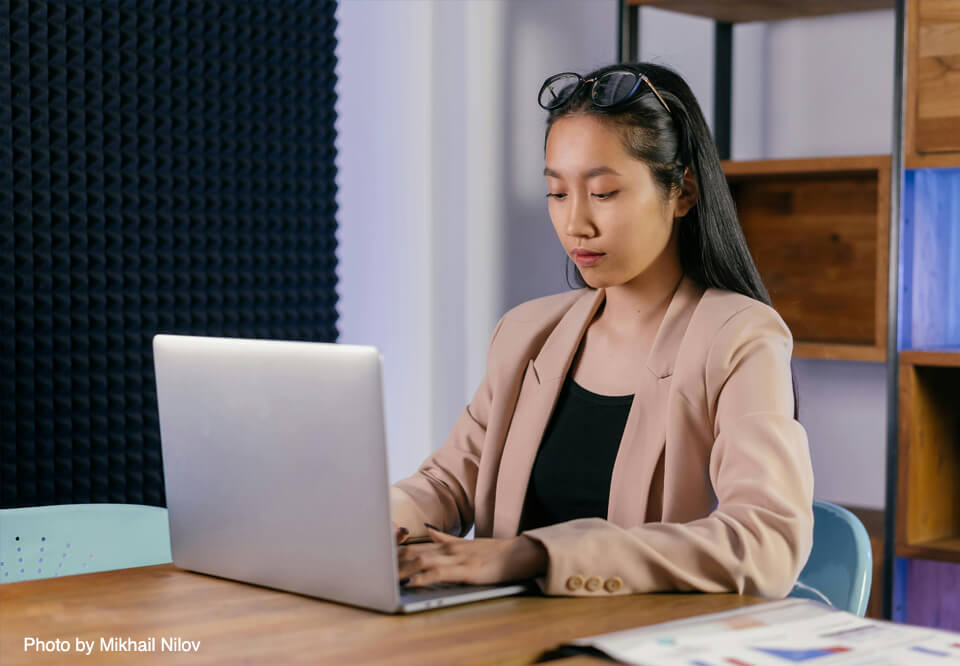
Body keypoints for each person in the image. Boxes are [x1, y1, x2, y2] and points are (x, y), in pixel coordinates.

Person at [390, 62, 814, 598]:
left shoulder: (738, 338)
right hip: (499, 637)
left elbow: (766, 544)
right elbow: (446, 484)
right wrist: (371, 525)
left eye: (604, 193)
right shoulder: (526, 334)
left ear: (682, 191)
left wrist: (532, 555)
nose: (576, 224)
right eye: (558, 193)